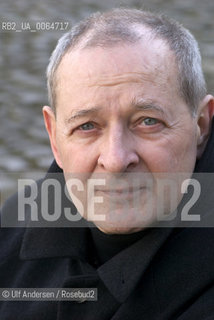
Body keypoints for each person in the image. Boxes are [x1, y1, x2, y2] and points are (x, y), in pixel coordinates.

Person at [0, 8, 214, 319]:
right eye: (87, 126)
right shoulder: (12, 228)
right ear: (54, 137)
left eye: (148, 122)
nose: (115, 160)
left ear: (201, 125)